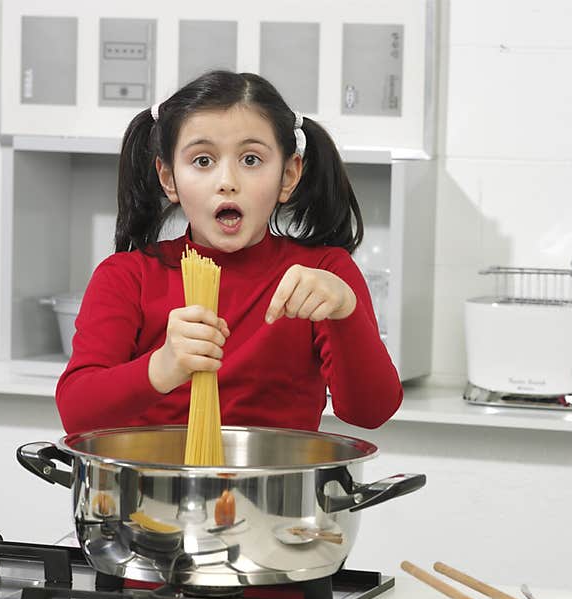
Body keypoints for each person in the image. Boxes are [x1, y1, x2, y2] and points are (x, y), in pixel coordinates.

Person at [56, 70, 403, 434]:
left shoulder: (323, 276)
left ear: (288, 176)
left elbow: (371, 411)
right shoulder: (127, 276)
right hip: (154, 489)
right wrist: (162, 366)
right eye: (202, 161)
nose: (227, 182)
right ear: (169, 178)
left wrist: (346, 312)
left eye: (251, 160)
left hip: (278, 489)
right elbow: (76, 413)